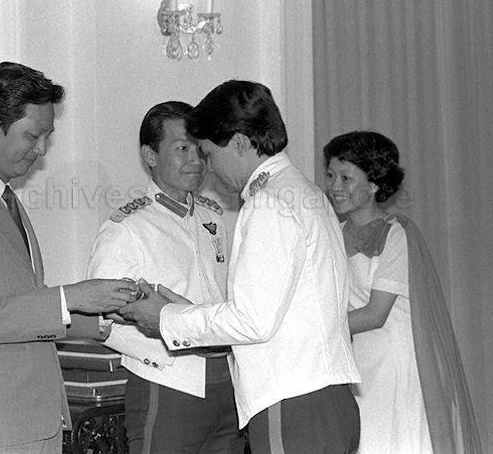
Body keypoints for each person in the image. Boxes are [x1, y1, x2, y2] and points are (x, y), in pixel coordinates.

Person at [119, 80, 362, 454]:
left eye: (209, 154)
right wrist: (189, 312)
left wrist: (166, 318)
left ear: (238, 142)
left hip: (292, 404)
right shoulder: (303, 191)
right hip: (325, 399)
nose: (209, 169)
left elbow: (252, 320)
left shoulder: (267, 203)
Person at [0, 62, 139, 454]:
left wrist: (104, 311)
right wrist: (69, 298)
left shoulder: (4, 199)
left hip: (34, 423)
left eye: (46, 138)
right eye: (32, 136)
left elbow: (19, 313)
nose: (40, 151)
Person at [86, 101, 243, 454]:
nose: (196, 161)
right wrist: (161, 352)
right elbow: (101, 319)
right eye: (182, 149)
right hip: (169, 379)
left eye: (200, 150)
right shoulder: (127, 229)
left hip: (226, 379)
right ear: (150, 155)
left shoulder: (213, 217)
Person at [323, 130, 481, 454]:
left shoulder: (396, 234)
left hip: (395, 363)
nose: (335, 187)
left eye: (346, 177)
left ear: (375, 184)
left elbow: (375, 313)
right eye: (330, 175)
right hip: (358, 361)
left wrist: (311, 328)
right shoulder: (333, 233)